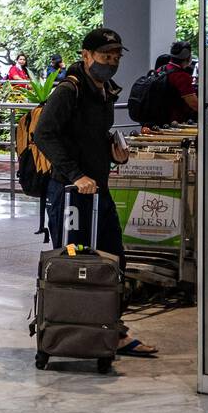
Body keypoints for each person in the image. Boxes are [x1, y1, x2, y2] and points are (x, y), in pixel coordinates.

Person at [32, 26, 157, 358]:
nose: (111, 62)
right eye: (105, 56)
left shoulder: (104, 90)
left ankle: (109, 328)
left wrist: (111, 149)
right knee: (74, 262)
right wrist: (77, 174)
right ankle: (70, 330)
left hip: (97, 191)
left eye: (115, 56)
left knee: (113, 258)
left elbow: (88, 135)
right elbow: (44, 134)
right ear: (86, 56)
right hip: (70, 192)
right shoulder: (68, 90)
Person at [159, 41, 199, 124]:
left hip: (159, 120)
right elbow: (194, 104)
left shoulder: (161, 69)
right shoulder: (182, 76)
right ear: (188, 57)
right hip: (175, 123)